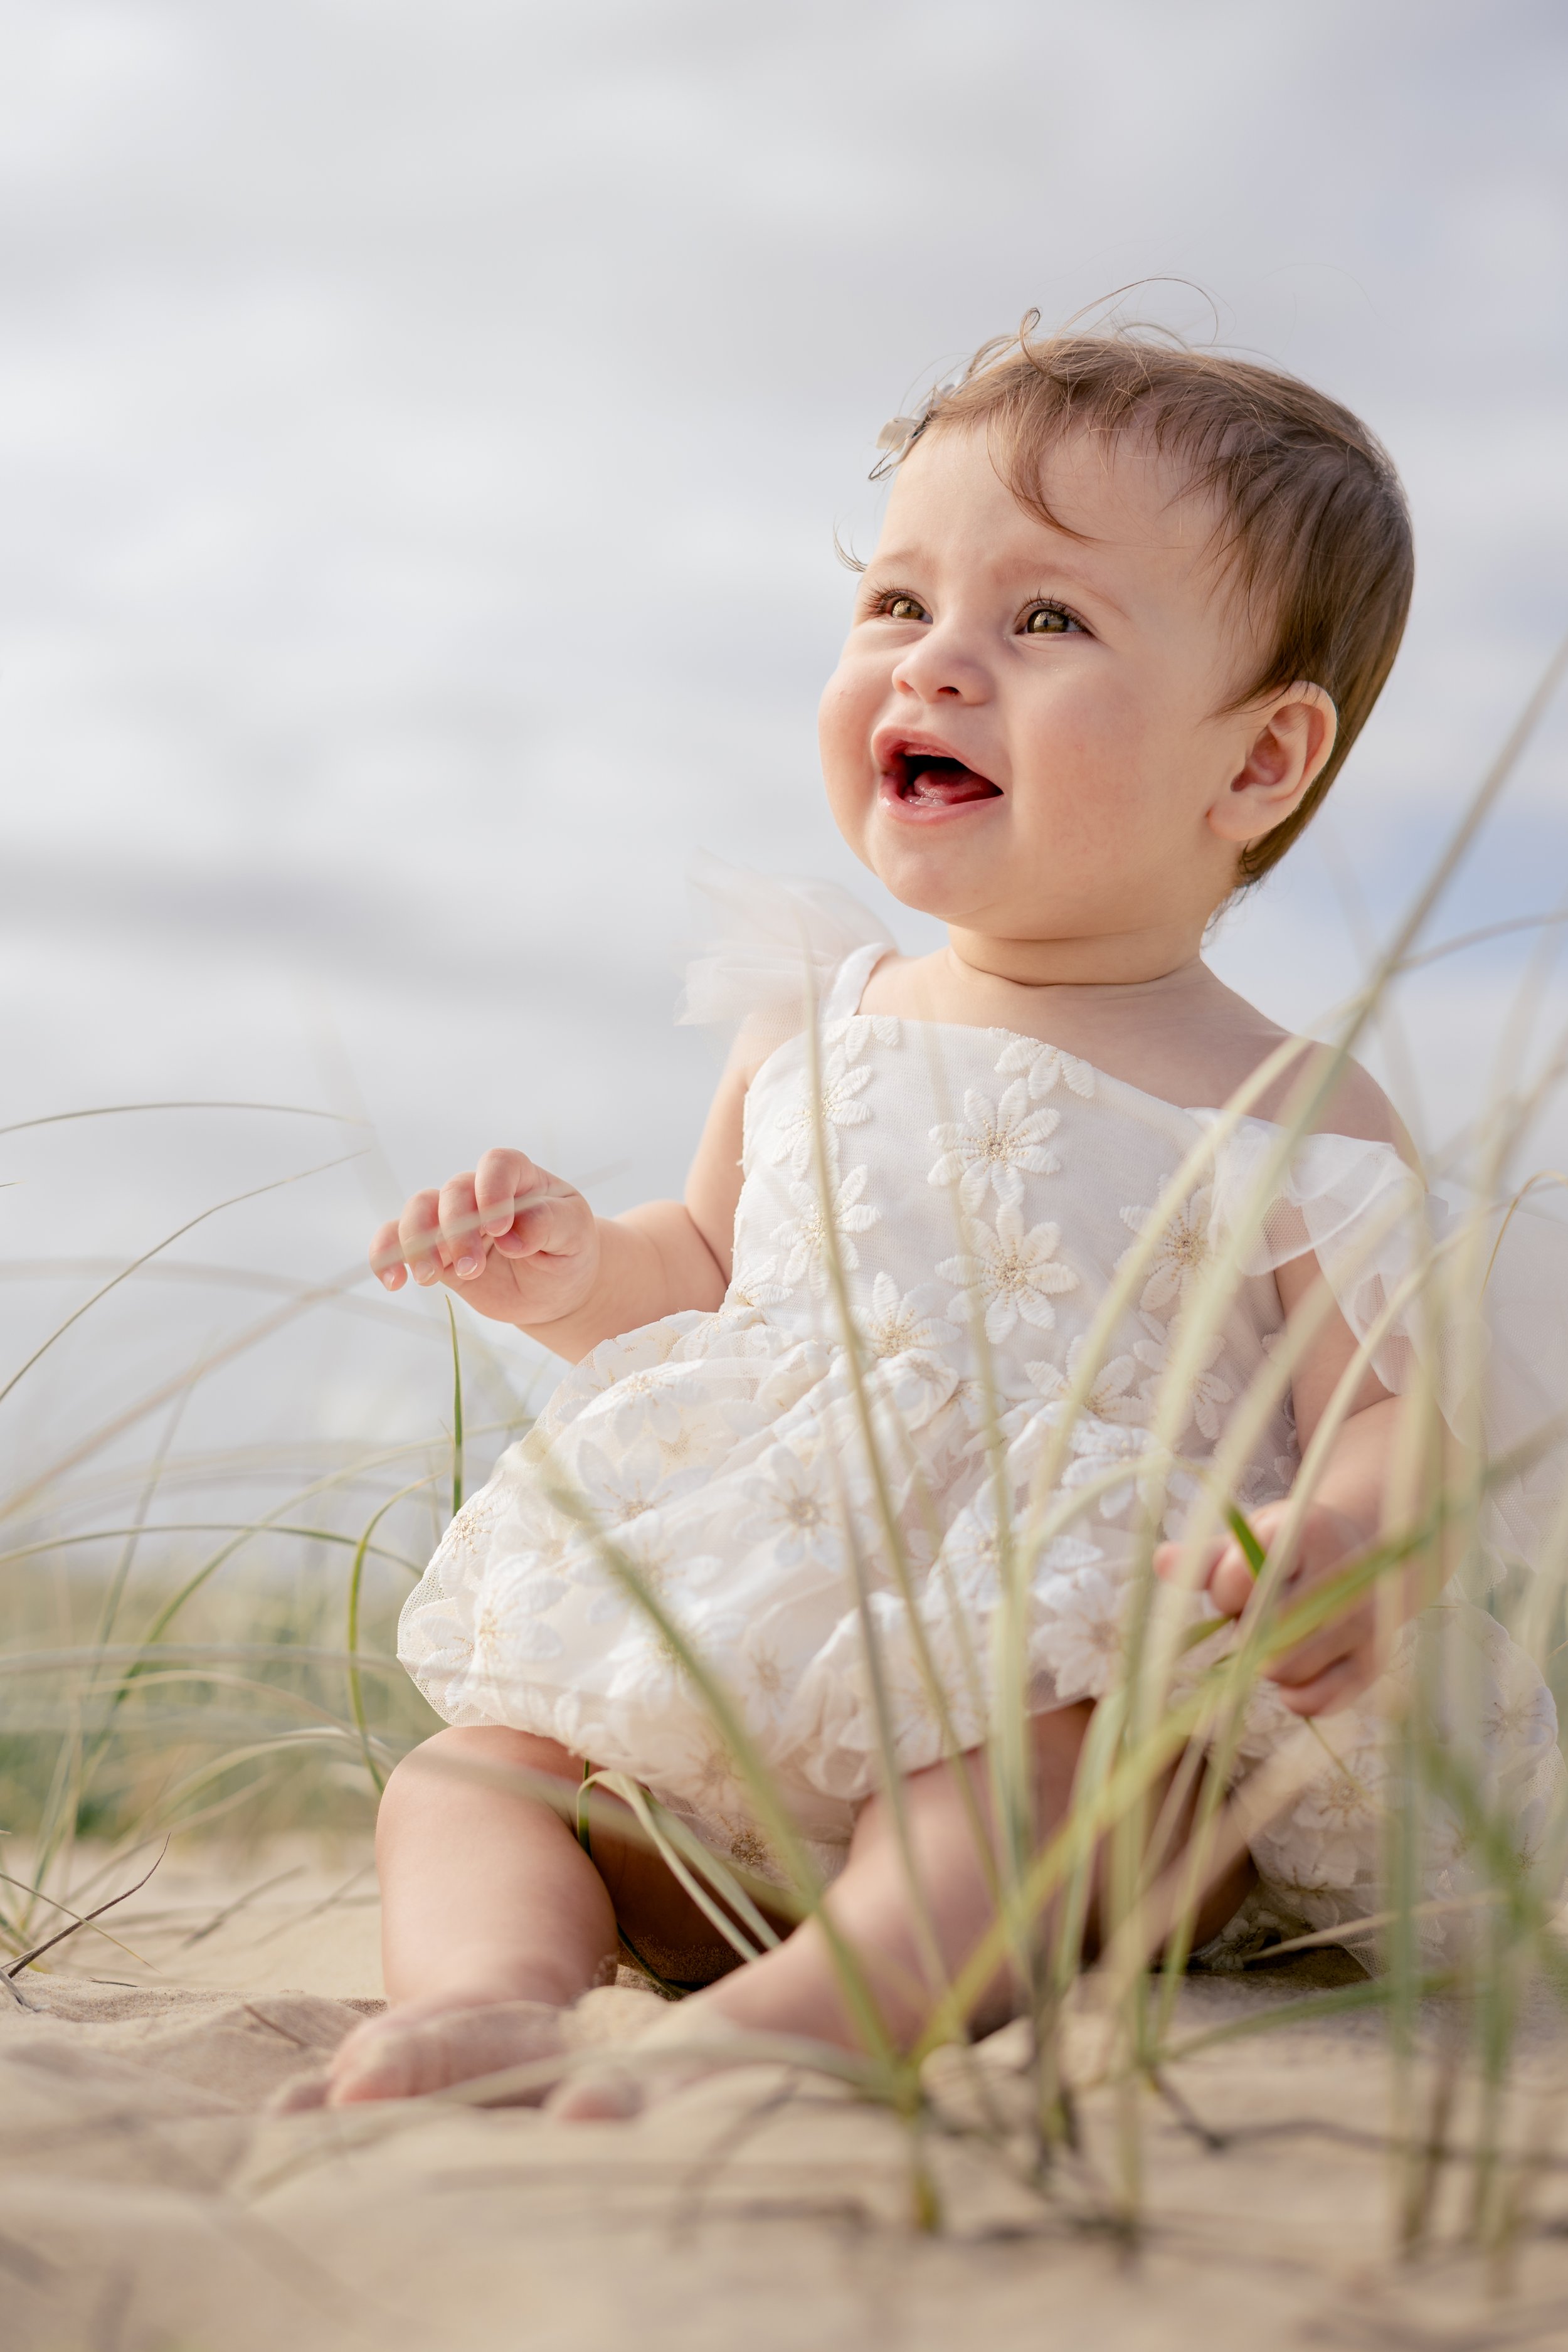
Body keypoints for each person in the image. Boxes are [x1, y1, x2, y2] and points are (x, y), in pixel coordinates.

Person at [300, 323, 1564, 2112]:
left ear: (1261, 763)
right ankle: (489, 1995)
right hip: (747, 1704)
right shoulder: (814, 1021)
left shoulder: (1282, 1110)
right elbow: (712, 1285)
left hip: (1077, 1715)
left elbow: (1386, 1413)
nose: (939, 663)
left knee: (1040, 1768)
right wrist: (577, 1271)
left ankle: (827, 2014)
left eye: (1044, 621)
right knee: (478, 1774)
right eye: (896, 603)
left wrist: (1337, 1544)